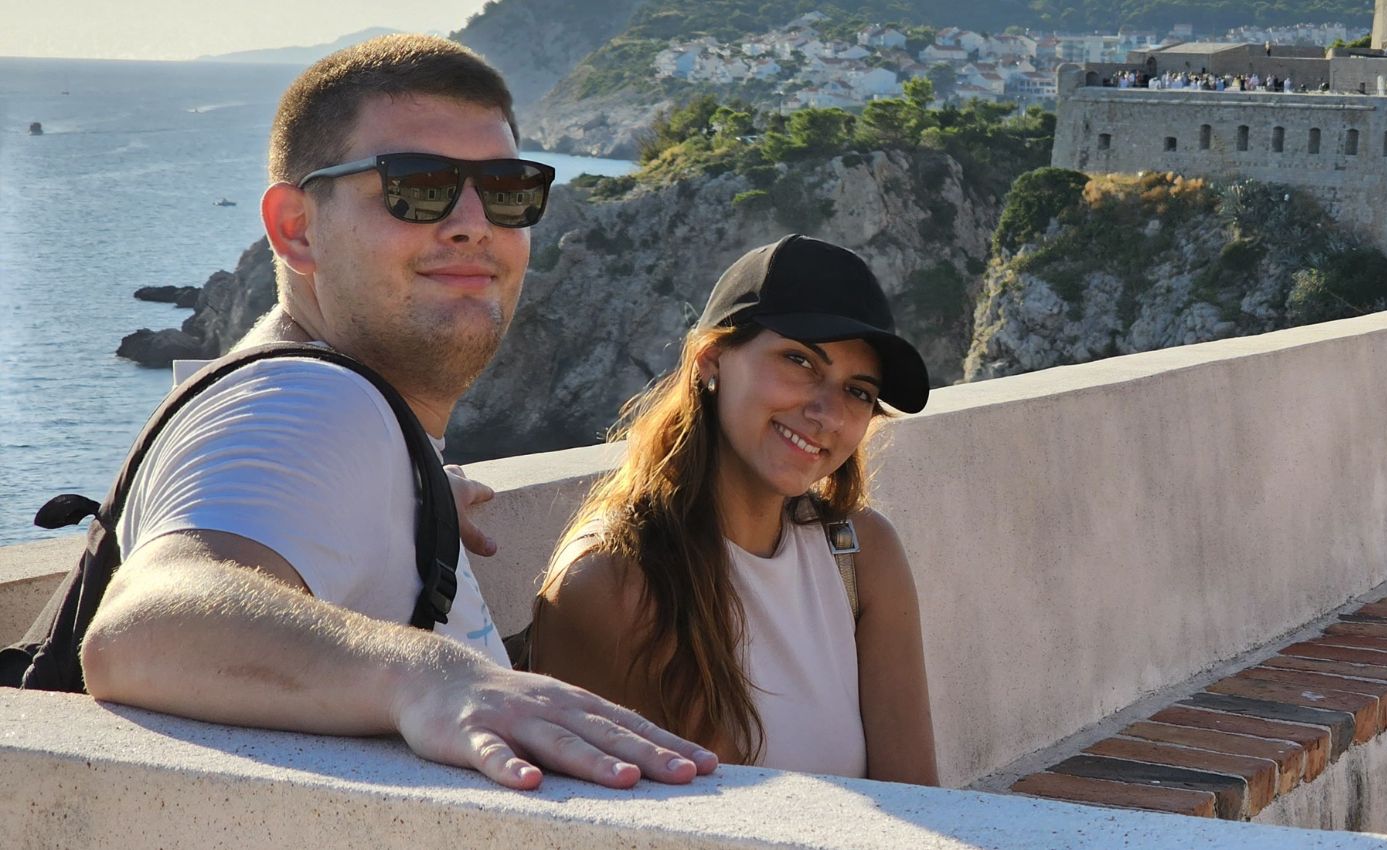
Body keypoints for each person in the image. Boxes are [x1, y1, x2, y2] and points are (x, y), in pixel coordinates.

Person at [78, 34, 716, 791]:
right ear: (296, 228)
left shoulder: (338, 416)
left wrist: (413, 496)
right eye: (418, 186)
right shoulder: (311, 402)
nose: (474, 223)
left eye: (507, 189)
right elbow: (146, 628)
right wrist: (435, 679)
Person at [529, 235, 939, 784]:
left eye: (858, 391)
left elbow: (917, 798)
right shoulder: (614, 580)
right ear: (711, 361)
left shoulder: (862, 553)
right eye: (799, 361)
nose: (827, 414)